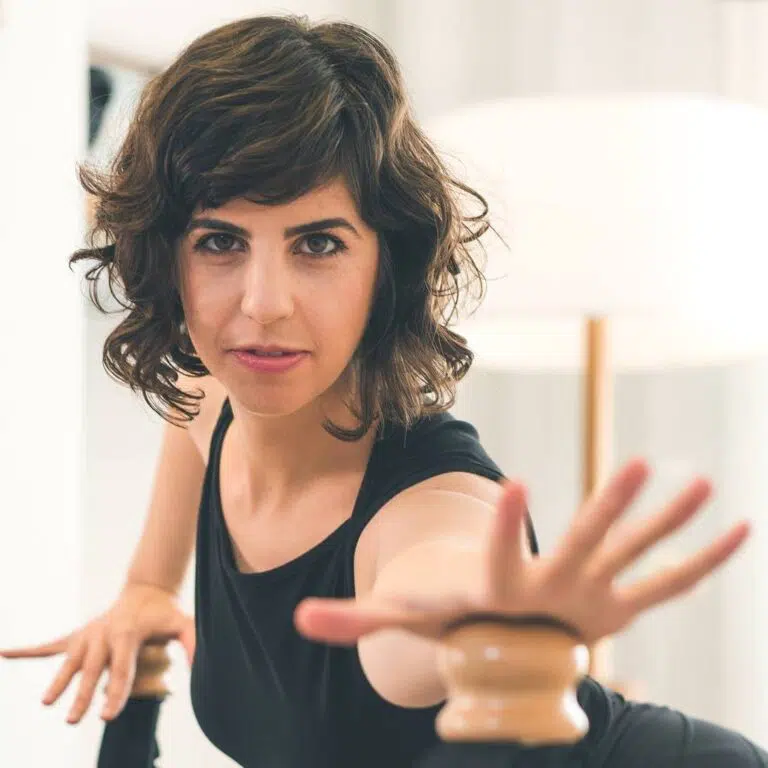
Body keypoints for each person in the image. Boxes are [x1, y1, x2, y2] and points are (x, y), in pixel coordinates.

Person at [1, 14, 766, 768]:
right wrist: (144, 592)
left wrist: (495, 611)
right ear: (168, 259)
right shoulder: (207, 402)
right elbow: (151, 572)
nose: (264, 303)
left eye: (318, 243)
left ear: (385, 268)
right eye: (220, 241)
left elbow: (434, 585)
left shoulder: (428, 508)